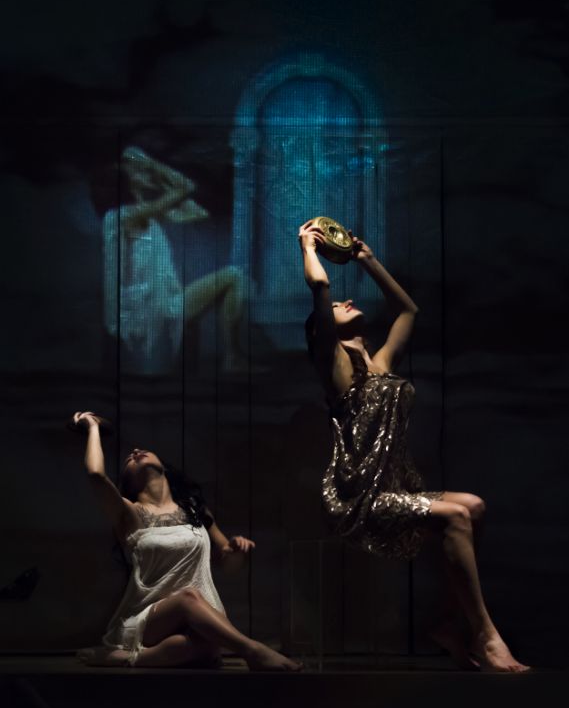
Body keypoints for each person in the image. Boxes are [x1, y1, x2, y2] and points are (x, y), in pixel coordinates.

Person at [299, 220, 529, 673]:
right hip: (360, 498)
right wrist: (308, 245)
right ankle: (485, 636)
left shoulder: (381, 363)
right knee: (457, 515)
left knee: (474, 506)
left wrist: (368, 260)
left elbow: (408, 310)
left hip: (395, 488)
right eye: (339, 307)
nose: (347, 302)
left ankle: (448, 623)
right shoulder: (334, 365)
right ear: (322, 331)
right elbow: (321, 286)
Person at [73, 411, 301, 671]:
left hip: (202, 616)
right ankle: (254, 651)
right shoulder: (129, 513)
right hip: (151, 619)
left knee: (204, 646)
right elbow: (96, 474)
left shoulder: (195, 510)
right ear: (127, 482)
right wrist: (92, 426)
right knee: (188, 597)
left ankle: (125, 658)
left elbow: (230, 565)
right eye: (128, 459)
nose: (135, 451)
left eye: (142, 450)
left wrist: (238, 550)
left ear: (165, 468)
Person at [103, 147, 247, 373]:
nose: (145, 171)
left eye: (143, 168)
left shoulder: (147, 213)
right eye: (137, 169)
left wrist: (156, 178)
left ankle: (226, 360)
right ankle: (232, 359)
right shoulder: (125, 216)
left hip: (163, 304)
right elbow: (186, 187)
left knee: (232, 278)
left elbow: (198, 212)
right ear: (125, 179)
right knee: (234, 276)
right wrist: (152, 163)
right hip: (148, 311)